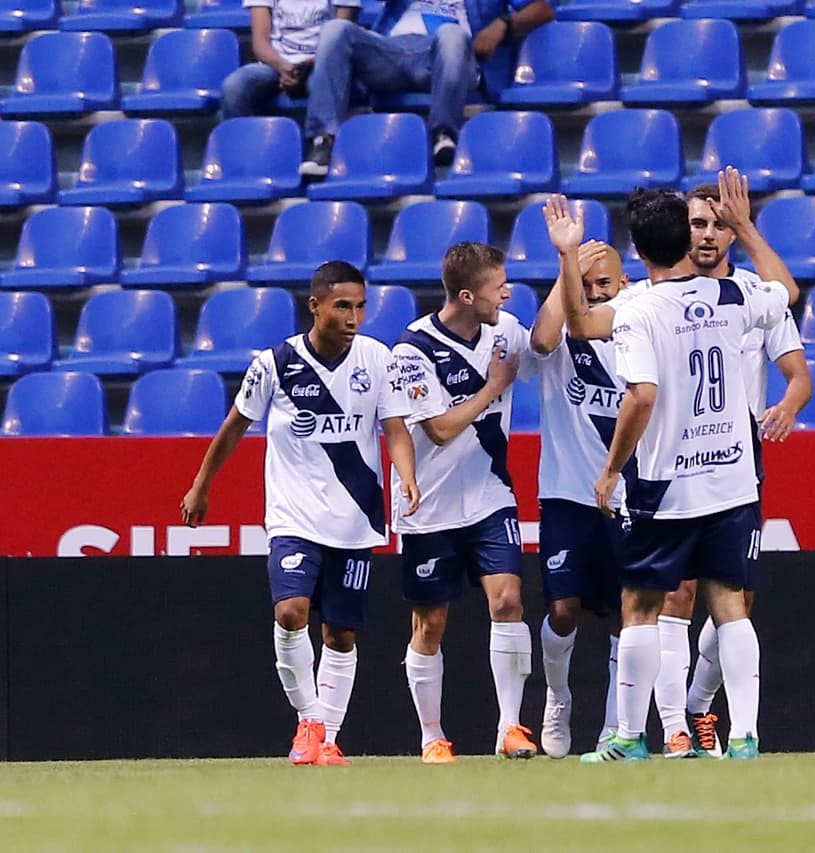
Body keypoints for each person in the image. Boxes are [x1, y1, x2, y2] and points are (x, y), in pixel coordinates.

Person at [575, 181, 792, 763]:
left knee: (640, 607)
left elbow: (639, 393)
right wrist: (744, 226)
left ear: (639, 252)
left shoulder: (636, 309)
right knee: (728, 606)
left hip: (666, 483)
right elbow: (786, 292)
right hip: (731, 477)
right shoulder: (731, 294)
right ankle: (745, 735)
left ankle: (627, 738)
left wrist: (611, 469)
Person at [180, 261, 421, 767]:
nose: (354, 316)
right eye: (342, 306)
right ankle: (309, 720)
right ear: (315, 306)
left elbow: (395, 428)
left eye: (360, 306)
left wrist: (407, 477)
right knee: (291, 613)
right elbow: (232, 429)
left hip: (356, 517)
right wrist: (202, 486)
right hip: (293, 516)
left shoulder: (378, 360)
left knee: (341, 633)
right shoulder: (275, 364)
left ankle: (326, 737)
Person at [654, 182, 812, 758]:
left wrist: (787, 407)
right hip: (673, 455)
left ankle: (700, 705)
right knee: (676, 596)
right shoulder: (662, 292)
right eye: (697, 224)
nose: (706, 234)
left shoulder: (751, 292)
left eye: (717, 225)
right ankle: (676, 728)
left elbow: (799, 374)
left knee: (736, 603)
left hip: (738, 455)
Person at [389, 241, 539, 763]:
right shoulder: (412, 350)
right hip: (429, 504)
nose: (508, 293)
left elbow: (545, 342)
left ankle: (510, 727)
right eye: (499, 286)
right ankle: (432, 734)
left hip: (490, 494)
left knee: (509, 602)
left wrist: (571, 267)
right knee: (430, 624)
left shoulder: (506, 329)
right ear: (469, 295)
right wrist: (494, 386)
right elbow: (441, 427)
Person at [529, 200, 634, 758]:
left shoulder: (639, 323)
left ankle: (615, 728)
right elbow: (542, 340)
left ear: (626, 283)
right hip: (567, 493)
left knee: (628, 612)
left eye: (604, 285)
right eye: (587, 286)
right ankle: (559, 696)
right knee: (563, 609)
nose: (595, 295)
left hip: (628, 497)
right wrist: (565, 263)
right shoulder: (562, 332)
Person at [299, 0, 555, 176]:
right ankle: (322, 140)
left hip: (450, 57)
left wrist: (503, 24)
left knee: (451, 34)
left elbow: (543, 10)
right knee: (335, 29)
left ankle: (443, 133)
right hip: (392, 53)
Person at [222, 0, 361, 120]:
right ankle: (245, 148)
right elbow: (260, 45)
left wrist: (307, 66)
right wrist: (284, 67)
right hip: (275, 64)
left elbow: (340, 39)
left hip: (323, 64)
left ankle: (323, 144)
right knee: (234, 87)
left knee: (323, 85)